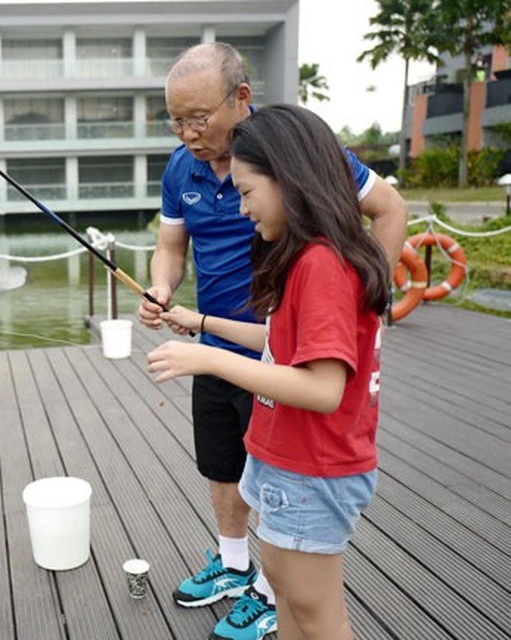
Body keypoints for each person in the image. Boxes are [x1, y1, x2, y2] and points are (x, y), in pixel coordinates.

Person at [138, 43, 407, 640]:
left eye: (198, 118)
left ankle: (259, 590)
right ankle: (240, 571)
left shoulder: (317, 251)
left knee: (313, 609)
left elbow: (322, 388)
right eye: (176, 121)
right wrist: (197, 322)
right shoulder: (193, 176)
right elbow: (176, 253)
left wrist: (362, 303)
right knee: (282, 579)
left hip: (311, 459)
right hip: (277, 420)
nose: (241, 210)